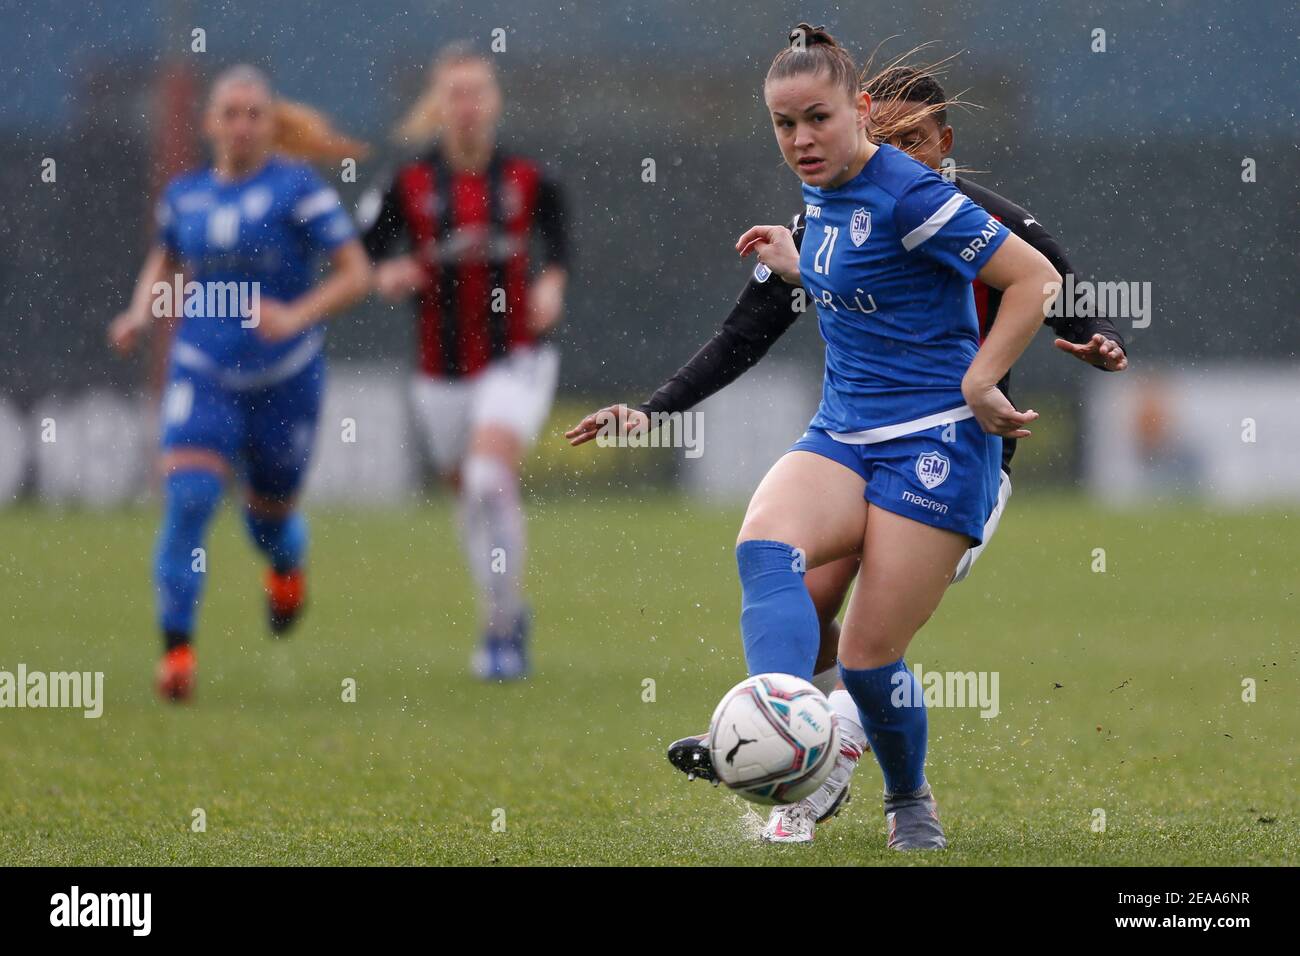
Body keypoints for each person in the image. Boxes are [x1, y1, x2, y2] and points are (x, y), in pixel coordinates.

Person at [605, 63, 1131, 843]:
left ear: (940, 144)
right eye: (786, 125)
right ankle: (790, 752)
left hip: (949, 453)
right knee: (780, 569)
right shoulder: (826, 201)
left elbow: (1051, 282)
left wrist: (1086, 341)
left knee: (866, 656)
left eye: (915, 140)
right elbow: (746, 332)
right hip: (848, 438)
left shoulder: (944, 206)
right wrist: (656, 409)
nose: (808, 140)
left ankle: (891, 793)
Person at [108, 65, 372, 701]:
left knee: (267, 522)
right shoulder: (185, 196)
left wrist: (295, 315)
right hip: (202, 369)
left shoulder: (296, 190)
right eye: (231, 112)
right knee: (191, 499)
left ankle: (287, 566)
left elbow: (355, 273)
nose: (243, 124)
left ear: (270, 123)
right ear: (210, 123)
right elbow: (166, 261)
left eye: (255, 113)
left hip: (285, 379)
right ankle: (177, 654)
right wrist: (141, 311)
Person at [358, 43, 569, 681]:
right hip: (438, 372)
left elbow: (558, 245)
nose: (467, 105)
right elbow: (361, 253)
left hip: (515, 359)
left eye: (478, 91)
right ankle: (506, 609)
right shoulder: (410, 183)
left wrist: (552, 282)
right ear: (439, 104)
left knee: (487, 480)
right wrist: (385, 270)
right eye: (455, 93)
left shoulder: (530, 180)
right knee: (472, 500)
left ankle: (500, 633)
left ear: (495, 101)